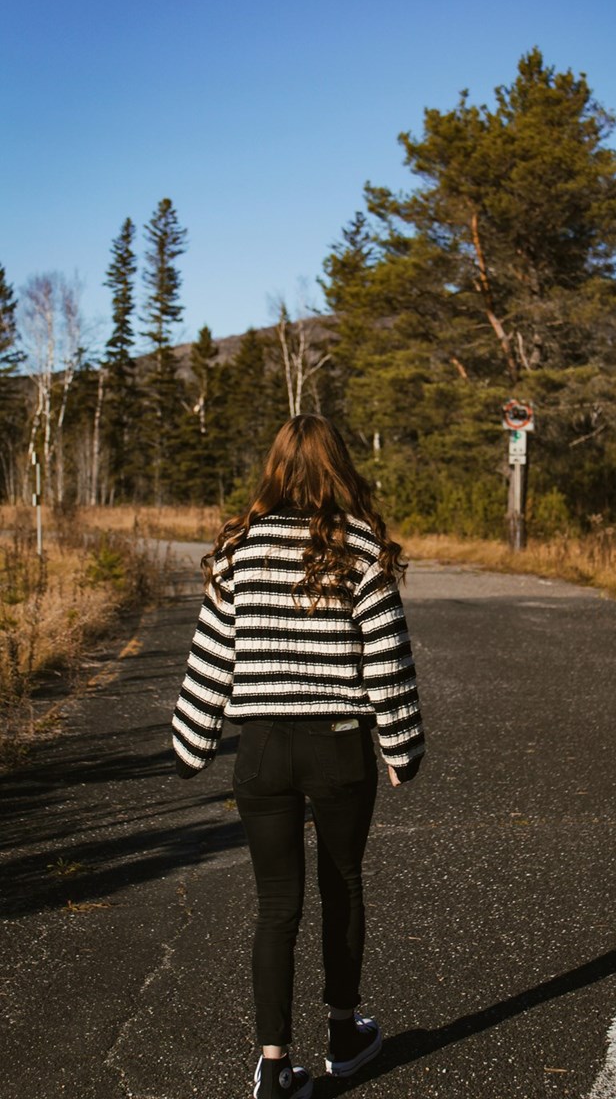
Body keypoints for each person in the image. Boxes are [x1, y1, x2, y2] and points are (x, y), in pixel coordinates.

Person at [171, 414, 425, 1099]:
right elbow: (387, 658)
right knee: (342, 884)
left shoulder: (238, 547)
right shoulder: (362, 546)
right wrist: (402, 747)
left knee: (275, 905)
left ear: (276, 468)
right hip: (340, 743)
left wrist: (192, 743)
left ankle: (275, 1068)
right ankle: (344, 1036)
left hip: (262, 749)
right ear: (338, 467)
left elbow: (212, 656)